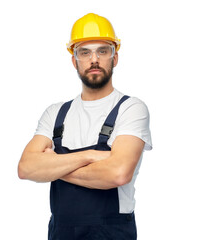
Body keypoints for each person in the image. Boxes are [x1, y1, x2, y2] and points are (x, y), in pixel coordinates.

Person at [18, 13, 152, 240]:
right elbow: (26, 169)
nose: (94, 59)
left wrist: (53, 166)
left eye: (103, 50)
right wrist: (91, 156)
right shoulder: (55, 113)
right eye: (84, 52)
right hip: (61, 232)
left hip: (112, 232)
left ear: (115, 57)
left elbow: (118, 173)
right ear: (74, 60)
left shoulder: (131, 108)